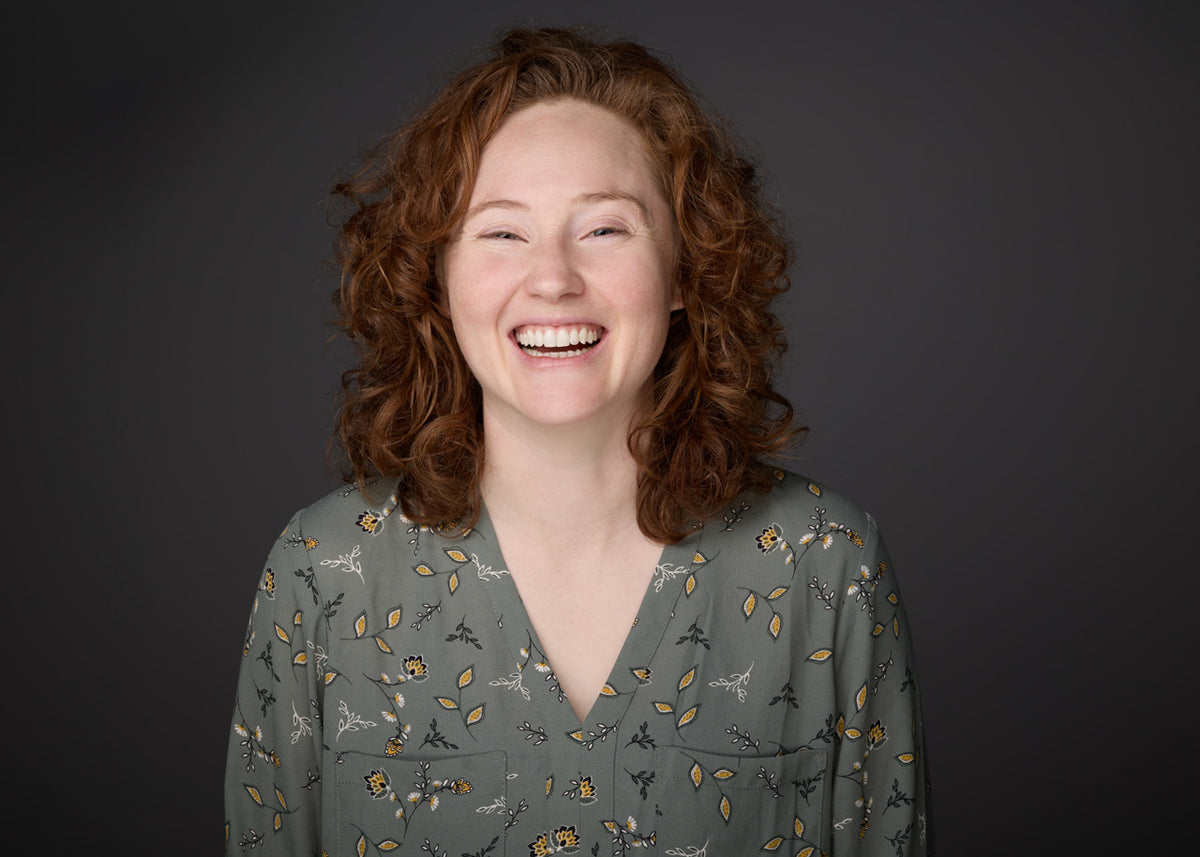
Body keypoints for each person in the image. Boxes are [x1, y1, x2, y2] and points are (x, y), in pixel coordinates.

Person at [224, 27, 932, 856]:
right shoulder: (320, 574)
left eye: (604, 229)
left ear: (684, 270)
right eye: (501, 232)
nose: (553, 277)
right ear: (437, 278)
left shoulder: (823, 566)